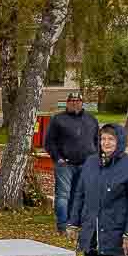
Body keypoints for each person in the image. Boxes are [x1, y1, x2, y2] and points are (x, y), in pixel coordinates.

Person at [65, 123, 128, 256]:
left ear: (119, 141)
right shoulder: (90, 163)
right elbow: (79, 194)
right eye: (103, 138)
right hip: (92, 229)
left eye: (111, 139)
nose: (106, 143)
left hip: (116, 229)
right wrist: (73, 222)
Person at [44, 92, 100, 233]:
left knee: (78, 195)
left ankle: (74, 223)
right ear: (67, 103)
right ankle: (62, 225)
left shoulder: (91, 119)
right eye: (72, 100)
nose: (75, 103)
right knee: (63, 195)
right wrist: (58, 158)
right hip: (65, 164)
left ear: (82, 103)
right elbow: (49, 142)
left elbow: (96, 140)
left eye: (78, 100)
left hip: (86, 163)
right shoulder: (58, 119)